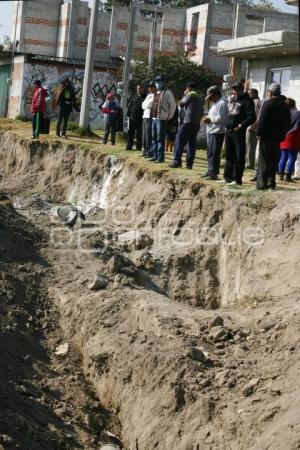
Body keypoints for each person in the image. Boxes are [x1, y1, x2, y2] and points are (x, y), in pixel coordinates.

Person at [219, 83, 255, 185]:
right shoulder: (233, 99)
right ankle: (227, 177)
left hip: (238, 131)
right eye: (234, 89)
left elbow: (252, 117)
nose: (235, 91)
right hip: (229, 130)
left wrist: (242, 125)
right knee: (229, 155)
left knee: (239, 156)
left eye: (237, 89)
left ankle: (237, 179)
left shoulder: (247, 101)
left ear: (242, 89)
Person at [256, 83, 291, 190]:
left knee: (264, 161)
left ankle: (262, 184)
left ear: (270, 92)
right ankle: (271, 184)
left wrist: (259, 133)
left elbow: (262, 121)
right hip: (278, 139)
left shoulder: (268, 104)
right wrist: (282, 134)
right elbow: (288, 123)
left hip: (266, 137)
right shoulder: (284, 105)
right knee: (273, 161)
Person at [169, 81, 203, 169]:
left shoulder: (190, 94)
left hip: (187, 122)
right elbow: (202, 112)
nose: (185, 90)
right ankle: (189, 164)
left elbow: (180, 103)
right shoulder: (200, 97)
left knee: (179, 141)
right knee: (191, 144)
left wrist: (184, 95)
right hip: (196, 123)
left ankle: (176, 161)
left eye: (186, 89)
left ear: (189, 88)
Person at [202, 85, 228, 180]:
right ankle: (210, 170)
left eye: (211, 96)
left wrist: (210, 119)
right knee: (209, 152)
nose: (210, 98)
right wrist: (207, 119)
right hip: (211, 130)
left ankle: (213, 173)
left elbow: (222, 118)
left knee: (214, 153)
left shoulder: (222, 103)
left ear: (215, 94)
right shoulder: (215, 103)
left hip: (217, 131)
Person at [150, 76, 176, 163]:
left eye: (159, 81)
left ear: (163, 82)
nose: (158, 83)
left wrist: (169, 116)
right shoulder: (156, 92)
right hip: (154, 118)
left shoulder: (168, 93)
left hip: (162, 119)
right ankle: (155, 155)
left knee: (160, 138)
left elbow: (173, 105)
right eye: (157, 81)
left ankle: (160, 157)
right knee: (154, 137)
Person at [278, 98, 300, 182]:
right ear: (294, 104)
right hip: (293, 137)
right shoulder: (297, 113)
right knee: (292, 157)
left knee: (283, 156)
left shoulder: (284, 113)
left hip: (284, 136)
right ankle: (288, 176)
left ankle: (280, 175)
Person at [126, 84, 146, 150]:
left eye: (140, 88)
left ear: (143, 89)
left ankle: (138, 147)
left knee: (139, 134)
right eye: (138, 88)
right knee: (130, 132)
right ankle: (129, 145)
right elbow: (130, 106)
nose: (139, 90)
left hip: (140, 119)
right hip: (132, 118)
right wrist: (128, 115)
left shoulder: (145, 98)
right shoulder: (134, 97)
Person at [245, 88, 261, 169]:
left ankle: (250, 164)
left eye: (251, 93)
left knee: (251, 146)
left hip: (253, 127)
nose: (249, 94)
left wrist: (253, 126)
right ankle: (247, 162)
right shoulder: (251, 101)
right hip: (249, 125)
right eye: (248, 93)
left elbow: (258, 116)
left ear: (255, 93)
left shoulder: (256, 102)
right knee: (247, 145)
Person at [142, 81, 156, 158]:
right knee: (144, 135)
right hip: (145, 116)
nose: (149, 88)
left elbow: (148, 105)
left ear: (155, 87)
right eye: (149, 87)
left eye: (151, 87)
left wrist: (145, 105)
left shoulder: (155, 95)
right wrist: (145, 105)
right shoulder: (148, 95)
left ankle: (150, 151)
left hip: (150, 116)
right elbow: (143, 105)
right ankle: (145, 150)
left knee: (149, 135)